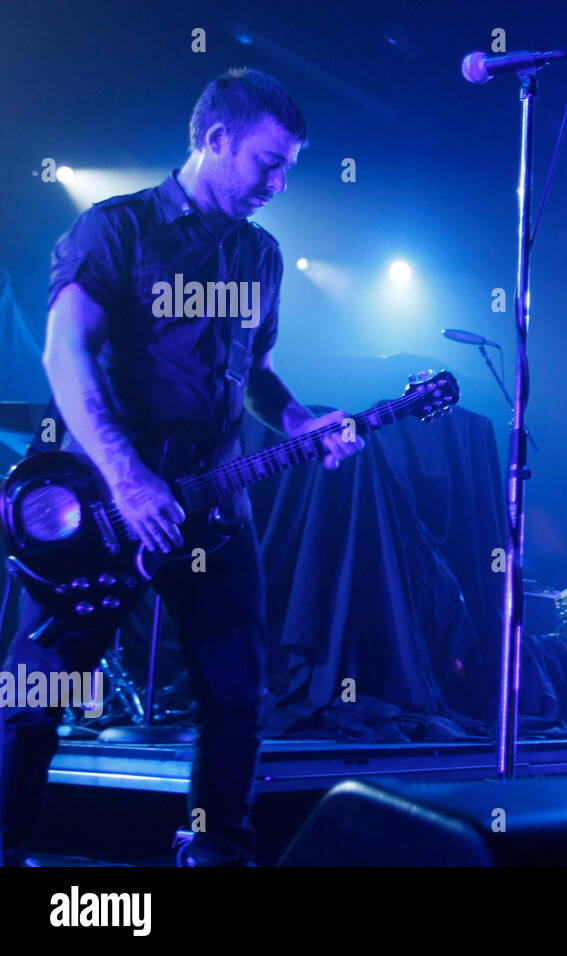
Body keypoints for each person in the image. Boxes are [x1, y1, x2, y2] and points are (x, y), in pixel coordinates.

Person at [1, 67, 362, 866]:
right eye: (268, 162)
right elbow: (66, 354)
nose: (279, 183)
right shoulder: (115, 228)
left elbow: (255, 375)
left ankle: (217, 849)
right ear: (216, 139)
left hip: (213, 508)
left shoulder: (262, 256)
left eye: (289, 168)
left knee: (237, 696)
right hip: (102, 503)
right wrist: (129, 480)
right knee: (34, 695)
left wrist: (300, 422)